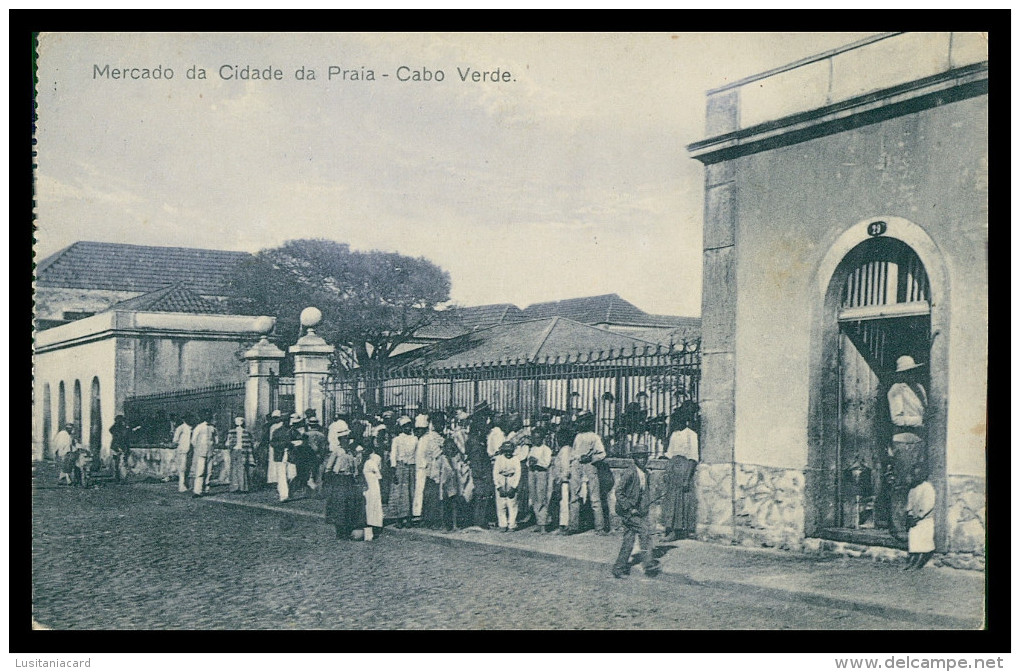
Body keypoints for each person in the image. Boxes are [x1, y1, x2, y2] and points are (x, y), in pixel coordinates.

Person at [886, 355, 928, 541]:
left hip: (919, 441)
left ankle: (913, 521)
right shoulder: (896, 390)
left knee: (916, 481)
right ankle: (898, 527)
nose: (911, 374)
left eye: (913, 370)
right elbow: (897, 418)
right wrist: (920, 421)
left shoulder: (919, 388)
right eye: (907, 372)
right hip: (903, 442)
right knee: (901, 484)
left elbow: (925, 410)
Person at [612, 445, 660, 579]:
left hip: (636, 511)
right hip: (626, 511)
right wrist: (629, 508)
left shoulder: (645, 473)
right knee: (644, 530)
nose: (642, 460)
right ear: (634, 458)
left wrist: (642, 509)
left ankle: (618, 568)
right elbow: (619, 492)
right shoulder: (630, 472)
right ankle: (648, 563)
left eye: (644, 457)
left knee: (629, 539)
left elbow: (643, 493)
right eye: (639, 457)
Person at [661, 405, 699, 541]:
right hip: (673, 468)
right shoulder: (674, 435)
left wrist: (687, 479)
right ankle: (669, 528)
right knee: (670, 500)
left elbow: (693, 458)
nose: (677, 423)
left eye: (679, 419)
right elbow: (670, 455)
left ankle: (678, 531)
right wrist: (667, 472)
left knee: (681, 502)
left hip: (684, 468)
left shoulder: (691, 435)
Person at [568, 412, 609, 535]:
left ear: (590, 422)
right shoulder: (578, 436)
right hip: (577, 466)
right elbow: (574, 453)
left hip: (590, 466)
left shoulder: (594, 437)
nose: (581, 423)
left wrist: (591, 459)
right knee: (574, 496)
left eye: (584, 421)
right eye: (580, 421)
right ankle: (573, 526)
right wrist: (574, 462)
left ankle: (600, 527)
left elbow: (602, 454)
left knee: (595, 497)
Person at [323, 430, 366, 540]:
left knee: (349, 505)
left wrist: (356, 476)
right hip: (339, 479)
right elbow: (329, 467)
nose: (347, 441)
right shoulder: (337, 452)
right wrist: (329, 480)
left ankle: (347, 530)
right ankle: (340, 531)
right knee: (340, 505)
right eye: (344, 439)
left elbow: (355, 467)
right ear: (340, 440)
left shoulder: (351, 452)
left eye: (348, 439)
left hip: (349, 480)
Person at [904, 466, 936, 570]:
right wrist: (909, 514)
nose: (915, 477)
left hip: (924, 519)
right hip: (914, 519)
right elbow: (910, 502)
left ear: (923, 475)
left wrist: (919, 516)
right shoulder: (913, 488)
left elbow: (928, 504)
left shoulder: (927, 487)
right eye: (914, 475)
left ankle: (919, 562)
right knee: (914, 539)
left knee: (923, 540)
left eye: (918, 475)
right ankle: (913, 559)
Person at [388, 416, 416, 528]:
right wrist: (394, 469)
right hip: (400, 467)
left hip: (412, 467)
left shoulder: (415, 439)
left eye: (409, 425)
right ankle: (399, 519)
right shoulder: (397, 440)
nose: (407, 428)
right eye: (405, 426)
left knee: (410, 492)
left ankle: (408, 518)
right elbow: (393, 455)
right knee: (399, 493)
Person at [525, 431, 553, 533]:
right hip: (532, 472)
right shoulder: (532, 449)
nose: (536, 440)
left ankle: (543, 524)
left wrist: (536, 461)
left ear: (542, 438)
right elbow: (528, 462)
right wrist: (530, 462)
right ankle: (538, 521)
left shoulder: (546, 449)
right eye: (534, 438)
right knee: (534, 497)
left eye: (538, 438)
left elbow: (546, 463)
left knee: (542, 497)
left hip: (542, 473)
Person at [437, 438, 467, 531]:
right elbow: (436, 471)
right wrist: (440, 482)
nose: (450, 450)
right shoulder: (441, 458)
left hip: (455, 483)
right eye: (448, 448)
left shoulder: (456, 458)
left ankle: (455, 525)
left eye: (452, 448)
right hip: (444, 483)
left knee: (454, 504)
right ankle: (444, 525)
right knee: (445, 505)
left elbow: (460, 467)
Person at [493, 441, 522, 532]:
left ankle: (512, 524)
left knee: (512, 504)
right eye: (506, 451)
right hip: (501, 479)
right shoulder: (499, 459)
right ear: (503, 451)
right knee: (501, 504)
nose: (508, 453)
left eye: (510, 451)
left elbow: (518, 473)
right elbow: (495, 473)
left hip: (511, 478)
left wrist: (513, 487)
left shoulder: (515, 459)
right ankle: (502, 524)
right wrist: (498, 486)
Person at [190, 411, 218, 497]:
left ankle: (206, 490)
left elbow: (216, 440)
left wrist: (212, 447)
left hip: (210, 452)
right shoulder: (199, 427)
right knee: (200, 472)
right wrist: (198, 449)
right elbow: (193, 440)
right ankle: (197, 491)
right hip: (201, 452)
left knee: (209, 472)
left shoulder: (213, 428)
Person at [549, 432, 572, 534]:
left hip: (564, 481)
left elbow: (565, 467)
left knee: (564, 503)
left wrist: (561, 479)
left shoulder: (565, 450)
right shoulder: (566, 449)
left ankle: (564, 525)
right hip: (562, 480)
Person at [227, 417, 256, 493]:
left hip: (242, 451)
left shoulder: (246, 432)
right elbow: (228, 442)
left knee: (242, 468)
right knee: (234, 468)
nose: (238, 422)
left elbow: (249, 444)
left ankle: (243, 487)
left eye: (240, 421)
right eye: (237, 421)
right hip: (234, 451)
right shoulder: (232, 432)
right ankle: (235, 487)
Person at [362, 447, 384, 536]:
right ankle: (372, 523)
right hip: (371, 485)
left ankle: (372, 523)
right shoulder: (370, 462)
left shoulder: (369, 462)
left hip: (371, 485)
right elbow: (379, 474)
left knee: (372, 503)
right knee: (371, 503)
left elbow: (378, 473)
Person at [109, 415, 136, 483]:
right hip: (120, 447)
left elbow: (111, 431)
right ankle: (122, 479)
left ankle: (117, 478)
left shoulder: (114, 428)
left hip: (114, 447)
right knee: (122, 463)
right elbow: (124, 436)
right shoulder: (122, 429)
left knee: (116, 463)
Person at [172, 414, 194, 493]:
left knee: (188, 468)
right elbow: (175, 440)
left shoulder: (193, 428)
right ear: (183, 419)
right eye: (187, 418)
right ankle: (181, 486)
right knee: (182, 468)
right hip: (183, 450)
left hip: (191, 450)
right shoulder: (180, 428)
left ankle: (187, 484)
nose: (189, 420)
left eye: (190, 418)